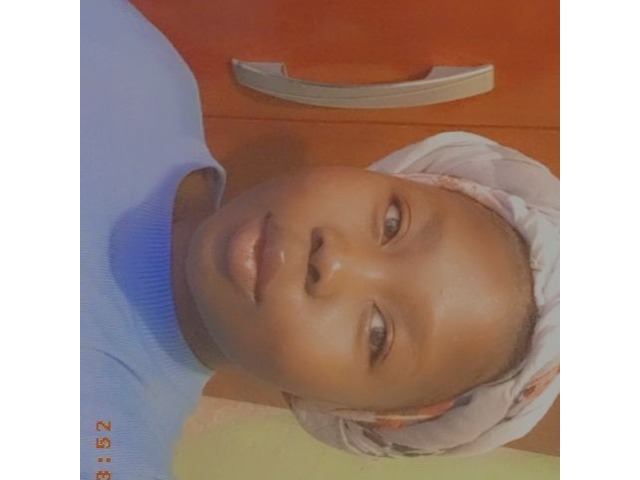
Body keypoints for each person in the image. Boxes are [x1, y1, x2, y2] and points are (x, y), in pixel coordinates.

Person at [81, 0, 559, 478]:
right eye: (393, 222)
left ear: (355, 412)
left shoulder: (104, 452)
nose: (333, 262)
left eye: (378, 334)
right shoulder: (143, 73)